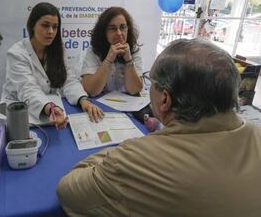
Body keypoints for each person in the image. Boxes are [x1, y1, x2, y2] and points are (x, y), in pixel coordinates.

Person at [57, 39, 261, 217]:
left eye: (151, 82)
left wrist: (126, 150)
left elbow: (68, 190)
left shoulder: (133, 160)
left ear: (165, 99)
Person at [2, 2, 104, 126]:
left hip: (52, 108)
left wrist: (83, 100)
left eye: (55, 27)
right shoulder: (16, 53)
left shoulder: (56, 50)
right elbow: (27, 89)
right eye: (45, 25)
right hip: (20, 110)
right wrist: (49, 108)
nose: (51, 31)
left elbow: (68, 80)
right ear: (32, 25)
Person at [81, 7, 143, 97]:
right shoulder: (94, 50)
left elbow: (135, 90)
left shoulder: (134, 50)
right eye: (113, 28)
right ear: (104, 32)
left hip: (127, 104)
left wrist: (129, 61)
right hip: (101, 103)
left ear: (128, 28)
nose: (119, 33)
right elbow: (91, 91)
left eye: (123, 27)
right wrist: (108, 60)